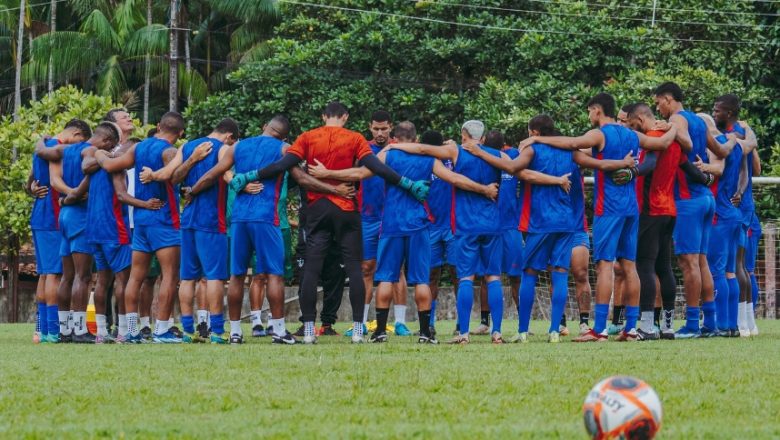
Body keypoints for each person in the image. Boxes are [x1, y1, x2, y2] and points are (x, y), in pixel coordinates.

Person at [229, 102, 430, 344]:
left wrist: (250, 175)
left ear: (324, 116)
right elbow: (376, 167)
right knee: (354, 267)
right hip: (346, 207)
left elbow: (283, 166)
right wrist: (408, 184)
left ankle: (310, 330)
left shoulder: (307, 137)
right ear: (345, 117)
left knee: (312, 268)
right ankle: (357, 330)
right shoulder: (355, 138)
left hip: (317, 209)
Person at [309, 121, 499, 344]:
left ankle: (379, 331)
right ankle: (425, 333)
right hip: (418, 225)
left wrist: (327, 172)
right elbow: (456, 179)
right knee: (421, 280)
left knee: (386, 278)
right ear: (416, 139)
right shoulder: (428, 159)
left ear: (395, 139)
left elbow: (360, 173)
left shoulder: (388, 155)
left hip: (391, 224)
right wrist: (483, 189)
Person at [517, 93, 676, 342]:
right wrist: (672, 127)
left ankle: (599, 329)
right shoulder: (632, 135)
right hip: (631, 209)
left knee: (604, 266)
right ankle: (631, 329)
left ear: (597, 110)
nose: (589, 116)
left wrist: (536, 138)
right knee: (630, 266)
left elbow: (573, 144)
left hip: (609, 208)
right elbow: (662, 144)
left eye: (590, 111)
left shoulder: (600, 134)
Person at [192, 115, 358, 344]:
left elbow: (214, 174)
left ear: (264, 127)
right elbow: (304, 180)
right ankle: (279, 330)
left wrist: (192, 191)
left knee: (237, 276)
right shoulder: (285, 149)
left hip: (239, 219)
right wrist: (336, 191)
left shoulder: (238, 146)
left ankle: (236, 332)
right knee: (274, 275)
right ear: (285, 136)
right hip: (266, 218)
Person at [466, 114, 632, 342]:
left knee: (529, 273)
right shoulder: (570, 152)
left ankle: (522, 331)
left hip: (541, 221)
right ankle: (555, 330)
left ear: (534, 132)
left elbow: (512, 167)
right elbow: (599, 165)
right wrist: (623, 163)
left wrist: (480, 152)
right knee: (560, 274)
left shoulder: (533, 150)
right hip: (566, 222)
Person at [94, 112, 187, 343]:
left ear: (158, 126)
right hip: (164, 220)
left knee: (135, 277)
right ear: (181, 133)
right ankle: (162, 329)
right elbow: (175, 178)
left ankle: (132, 330)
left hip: (141, 221)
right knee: (170, 276)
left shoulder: (139, 148)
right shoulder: (171, 151)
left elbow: (110, 165)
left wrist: (97, 151)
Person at [653, 82, 736, 338]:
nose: (658, 108)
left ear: (668, 99)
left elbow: (686, 144)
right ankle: (710, 322)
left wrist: (667, 129)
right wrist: (733, 139)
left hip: (687, 199)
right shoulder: (701, 121)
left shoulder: (678, 119)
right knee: (701, 262)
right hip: (705, 199)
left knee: (688, 263)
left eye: (658, 102)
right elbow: (721, 151)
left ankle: (691, 324)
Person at [146, 118, 240, 343]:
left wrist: (191, 160)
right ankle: (217, 331)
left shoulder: (186, 146)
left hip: (187, 219)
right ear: (229, 136)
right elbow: (225, 177)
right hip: (211, 220)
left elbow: (173, 177)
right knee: (215, 276)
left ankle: (188, 330)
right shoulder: (224, 148)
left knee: (187, 277)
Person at [49, 124, 121, 343]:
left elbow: (48, 162)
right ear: (107, 141)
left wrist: (67, 196)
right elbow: (87, 174)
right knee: (83, 275)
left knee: (67, 276)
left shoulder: (66, 149)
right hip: (81, 214)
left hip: (65, 215)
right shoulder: (91, 153)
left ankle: (64, 330)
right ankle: (80, 331)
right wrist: (77, 194)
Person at [348, 110, 411, 338]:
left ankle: (401, 322)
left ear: (391, 127)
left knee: (398, 270)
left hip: (393, 217)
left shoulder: (399, 148)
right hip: (367, 217)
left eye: (384, 128)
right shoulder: (362, 149)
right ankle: (362, 321)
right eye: (376, 128)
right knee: (366, 268)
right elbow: (353, 180)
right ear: (370, 127)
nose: (380, 132)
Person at [28, 119, 91, 343]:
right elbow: (53, 180)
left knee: (46, 274)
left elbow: (31, 180)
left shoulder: (44, 147)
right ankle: (53, 330)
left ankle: (44, 330)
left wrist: (33, 188)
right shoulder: (56, 149)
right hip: (53, 216)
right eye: (80, 141)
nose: (78, 147)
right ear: (75, 133)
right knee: (55, 274)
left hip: (39, 215)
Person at [420, 130, 458, 337]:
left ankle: (462, 323)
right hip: (430, 226)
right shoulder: (420, 164)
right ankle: (429, 322)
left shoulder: (453, 158)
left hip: (453, 226)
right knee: (430, 275)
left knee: (458, 275)